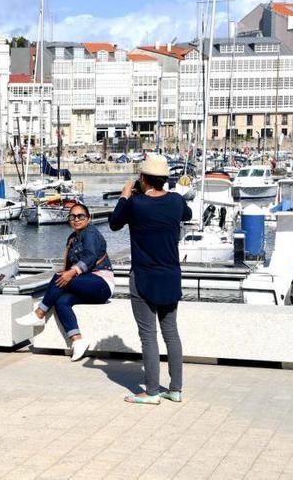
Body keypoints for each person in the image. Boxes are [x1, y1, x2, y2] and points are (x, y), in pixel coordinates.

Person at [109, 154, 192, 405]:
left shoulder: (135, 204)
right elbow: (186, 215)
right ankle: (175, 389)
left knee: (148, 335)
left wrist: (125, 194)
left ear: (142, 178)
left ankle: (152, 391)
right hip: (170, 275)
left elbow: (114, 224)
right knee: (171, 334)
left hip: (143, 276)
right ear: (165, 179)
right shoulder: (176, 201)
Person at [15, 203, 114, 362]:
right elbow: (67, 266)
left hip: (101, 284)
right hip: (85, 284)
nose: (76, 219)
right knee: (61, 301)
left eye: (80, 216)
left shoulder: (91, 234)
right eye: (72, 216)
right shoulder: (72, 239)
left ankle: (39, 313)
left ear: (88, 218)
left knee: (59, 277)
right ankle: (77, 340)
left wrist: (71, 273)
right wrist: (66, 276)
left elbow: (90, 257)